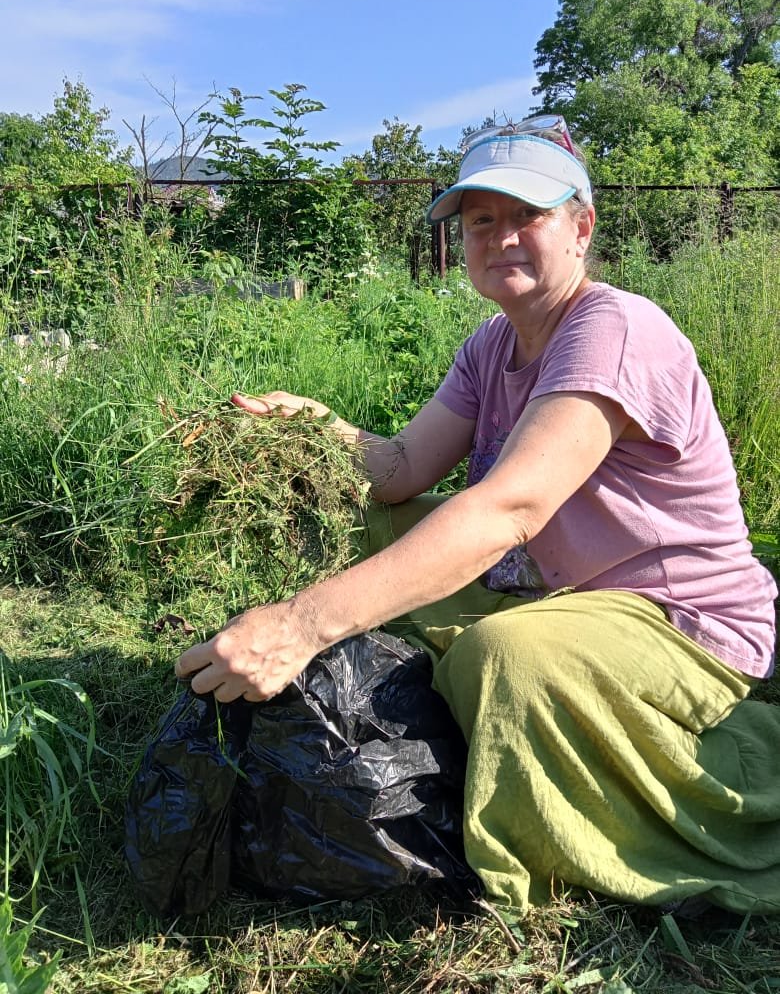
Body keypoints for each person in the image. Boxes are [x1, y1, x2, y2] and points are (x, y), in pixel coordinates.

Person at [175, 115, 780, 916]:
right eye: (480, 222)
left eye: (527, 215)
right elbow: (398, 473)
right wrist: (314, 427)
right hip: (553, 590)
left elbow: (511, 506)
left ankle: (659, 803)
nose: (501, 239)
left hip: (678, 620)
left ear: (580, 226)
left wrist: (302, 625)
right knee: (369, 525)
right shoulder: (493, 346)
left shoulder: (616, 328)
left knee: (505, 657)